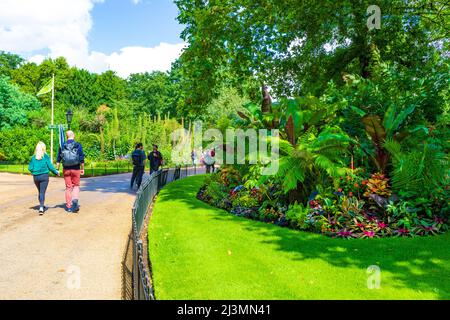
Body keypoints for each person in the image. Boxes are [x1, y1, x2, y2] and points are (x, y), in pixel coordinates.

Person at [56, 130, 85, 213]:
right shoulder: (78, 145)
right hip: (76, 168)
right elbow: (81, 158)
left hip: (66, 169)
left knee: (68, 188)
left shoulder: (62, 145)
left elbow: (58, 159)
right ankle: (75, 201)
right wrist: (82, 168)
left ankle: (68, 206)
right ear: (74, 135)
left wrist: (57, 169)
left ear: (66, 136)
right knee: (76, 185)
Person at [28, 142, 60, 215]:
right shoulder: (45, 156)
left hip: (36, 177)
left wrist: (34, 171)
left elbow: (30, 168)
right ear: (43, 148)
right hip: (44, 176)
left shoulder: (33, 157)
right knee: (42, 192)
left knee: (40, 192)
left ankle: (41, 205)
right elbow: (50, 166)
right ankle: (41, 207)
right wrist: (56, 172)